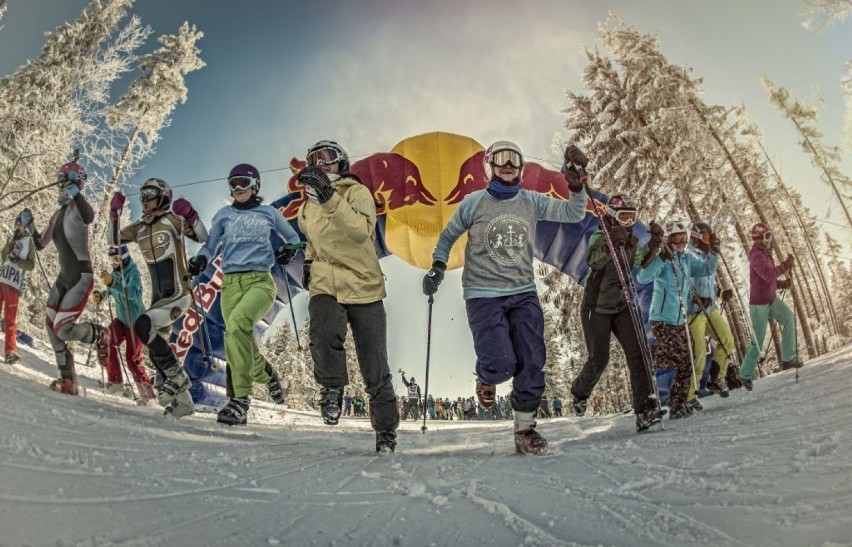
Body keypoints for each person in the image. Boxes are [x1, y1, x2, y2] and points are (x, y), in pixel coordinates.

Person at [422, 142, 589, 455]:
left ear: (521, 167)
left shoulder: (530, 201)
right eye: (500, 159)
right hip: (483, 295)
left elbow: (573, 213)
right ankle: (487, 376)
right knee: (500, 364)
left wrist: (576, 186)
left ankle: (524, 429)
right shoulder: (474, 202)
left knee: (531, 356)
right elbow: (447, 236)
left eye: (514, 159)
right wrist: (438, 268)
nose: (508, 164)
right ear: (490, 166)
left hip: (522, 291)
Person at [297, 140, 399, 453]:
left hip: (363, 284)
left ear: (341, 162)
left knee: (374, 364)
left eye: (326, 157)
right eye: (314, 159)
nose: (320, 163)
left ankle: (385, 430)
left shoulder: (356, 192)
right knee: (323, 329)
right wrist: (308, 260)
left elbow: (359, 232)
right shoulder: (306, 207)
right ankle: (331, 390)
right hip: (326, 282)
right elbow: (315, 240)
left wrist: (329, 197)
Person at [188, 163, 299, 425]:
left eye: (242, 183)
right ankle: (266, 373)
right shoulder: (224, 215)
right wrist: (200, 261)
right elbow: (211, 245)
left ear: (255, 185)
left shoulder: (269, 213)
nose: (237, 188)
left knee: (236, 326)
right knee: (237, 338)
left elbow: (293, 236)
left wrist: (290, 249)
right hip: (230, 284)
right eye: (233, 183)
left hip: (260, 281)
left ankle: (239, 402)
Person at [108, 177, 208, 417]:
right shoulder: (139, 228)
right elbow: (114, 242)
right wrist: (114, 214)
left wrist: (192, 215)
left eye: (150, 194)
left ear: (163, 195)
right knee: (155, 351)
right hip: (158, 301)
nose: (144, 200)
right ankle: (184, 403)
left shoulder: (173, 221)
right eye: (142, 195)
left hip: (179, 294)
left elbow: (203, 237)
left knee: (144, 324)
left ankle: (180, 381)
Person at [569, 194, 665, 432]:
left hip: (622, 306)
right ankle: (580, 392)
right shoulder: (601, 236)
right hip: (596, 308)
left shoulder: (631, 241)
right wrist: (612, 242)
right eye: (623, 216)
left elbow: (643, 262)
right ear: (612, 216)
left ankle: (645, 410)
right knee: (599, 359)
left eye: (632, 216)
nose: (629, 222)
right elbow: (594, 261)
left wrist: (654, 243)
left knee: (639, 353)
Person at [33, 161, 110, 395]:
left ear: (73, 182)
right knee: (50, 325)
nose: (58, 186)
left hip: (80, 276)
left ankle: (100, 334)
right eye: (58, 182)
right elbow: (40, 243)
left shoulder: (78, 208)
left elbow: (90, 216)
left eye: (61, 181)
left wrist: (78, 194)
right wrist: (29, 227)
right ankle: (68, 380)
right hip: (64, 277)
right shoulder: (58, 214)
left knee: (62, 329)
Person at [637, 219, 720, 419]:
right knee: (682, 357)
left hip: (680, 320)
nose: (682, 243)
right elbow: (643, 278)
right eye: (677, 239)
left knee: (688, 359)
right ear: (668, 240)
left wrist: (714, 252)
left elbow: (707, 269)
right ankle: (651, 357)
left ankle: (678, 403)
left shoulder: (687, 260)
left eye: (684, 239)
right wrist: (661, 259)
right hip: (662, 319)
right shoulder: (662, 259)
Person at [738, 222, 799, 390]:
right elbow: (766, 275)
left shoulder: (765, 253)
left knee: (788, 318)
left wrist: (782, 284)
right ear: (758, 239)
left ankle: (788, 358)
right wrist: (785, 265)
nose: (769, 239)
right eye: (766, 236)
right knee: (758, 340)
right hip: (759, 305)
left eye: (769, 235)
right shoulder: (756, 255)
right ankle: (744, 374)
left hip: (771, 299)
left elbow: (768, 280)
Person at [91, 245, 154, 401]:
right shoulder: (115, 273)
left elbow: (132, 293)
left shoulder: (134, 273)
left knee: (132, 359)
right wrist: (102, 295)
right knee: (106, 340)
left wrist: (113, 283)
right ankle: (115, 380)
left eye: (117, 259)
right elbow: (112, 291)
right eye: (111, 259)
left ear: (125, 258)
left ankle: (147, 393)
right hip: (121, 320)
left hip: (136, 323)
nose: (114, 262)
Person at [685, 222, 734, 404]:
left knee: (727, 339)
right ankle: (690, 397)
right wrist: (695, 298)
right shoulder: (688, 254)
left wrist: (720, 293)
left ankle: (717, 378)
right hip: (695, 313)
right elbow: (684, 283)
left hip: (710, 309)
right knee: (698, 355)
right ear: (697, 237)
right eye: (705, 237)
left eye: (709, 236)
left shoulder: (707, 255)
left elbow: (709, 282)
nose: (708, 240)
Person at [0, 209, 36, 364]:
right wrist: (10, 244)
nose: (17, 227)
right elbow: (3, 255)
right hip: (2, 278)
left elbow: (31, 265)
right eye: (16, 224)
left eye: (19, 224)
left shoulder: (29, 243)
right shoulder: (12, 238)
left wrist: (17, 261)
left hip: (14, 284)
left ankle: (10, 351)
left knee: (10, 319)